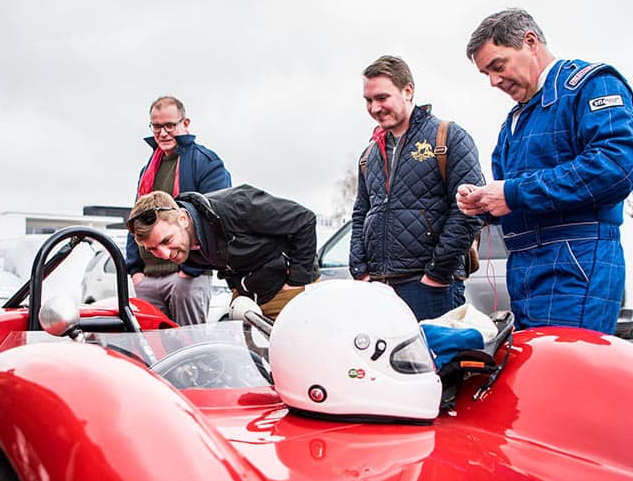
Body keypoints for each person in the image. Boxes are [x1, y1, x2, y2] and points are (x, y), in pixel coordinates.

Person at [458, 9, 633, 334]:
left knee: (569, 378)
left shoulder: (591, 85)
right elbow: (514, 195)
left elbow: (615, 167)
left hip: (577, 263)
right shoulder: (513, 123)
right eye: (486, 73)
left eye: (498, 66)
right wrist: (485, 204)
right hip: (524, 270)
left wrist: (513, 193)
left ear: (530, 42)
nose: (494, 81)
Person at [350, 55, 484, 321]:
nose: (375, 108)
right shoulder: (370, 153)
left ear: (407, 91)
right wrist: (360, 271)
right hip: (378, 288)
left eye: (382, 98)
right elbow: (360, 214)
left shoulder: (448, 137)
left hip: (430, 289)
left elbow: (469, 211)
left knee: (435, 364)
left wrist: (435, 275)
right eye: (368, 100)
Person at [128, 185, 319, 319]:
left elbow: (304, 220)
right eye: (152, 249)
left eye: (166, 241)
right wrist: (236, 287)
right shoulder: (185, 246)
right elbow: (228, 258)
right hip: (248, 296)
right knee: (255, 364)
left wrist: (296, 282)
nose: (165, 254)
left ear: (183, 219)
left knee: (295, 364)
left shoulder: (238, 204)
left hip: (287, 287)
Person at [125, 96, 232, 326]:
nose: (162, 133)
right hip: (148, 278)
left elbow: (217, 218)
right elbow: (137, 220)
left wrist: (190, 271)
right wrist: (135, 271)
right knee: (154, 350)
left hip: (187, 277)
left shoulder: (206, 163)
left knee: (189, 346)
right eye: (156, 126)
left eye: (169, 126)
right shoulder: (148, 169)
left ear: (185, 123)